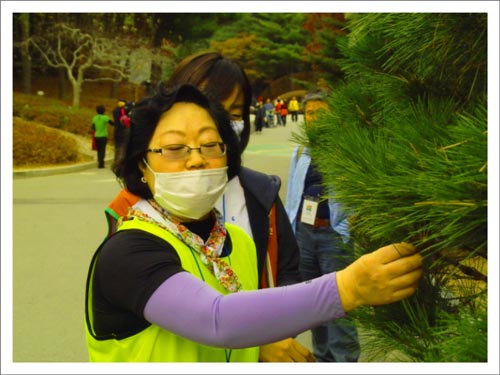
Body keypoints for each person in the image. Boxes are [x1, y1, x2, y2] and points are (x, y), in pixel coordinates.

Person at [85, 83, 424, 362]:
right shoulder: (129, 252)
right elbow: (217, 319)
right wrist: (347, 289)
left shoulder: (237, 241)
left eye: (209, 144)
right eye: (174, 148)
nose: (197, 160)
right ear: (142, 166)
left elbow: (245, 321)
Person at [104, 51, 309, 362]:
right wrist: (346, 290)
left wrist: (277, 334)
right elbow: (137, 298)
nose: (220, 120)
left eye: (235, 112)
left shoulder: (261, 193)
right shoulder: (130, 211)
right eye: (210, 104)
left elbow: (286, 271)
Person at [285, 88, 360, 362]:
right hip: (304, 233)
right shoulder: (301, 149)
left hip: (334, 234)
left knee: (340, 303)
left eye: (320, 113)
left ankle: (345, 360)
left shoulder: (346, 147)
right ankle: (323, 358)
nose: (313, 119)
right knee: (313, 303)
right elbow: (294, 192)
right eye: (309, 113)